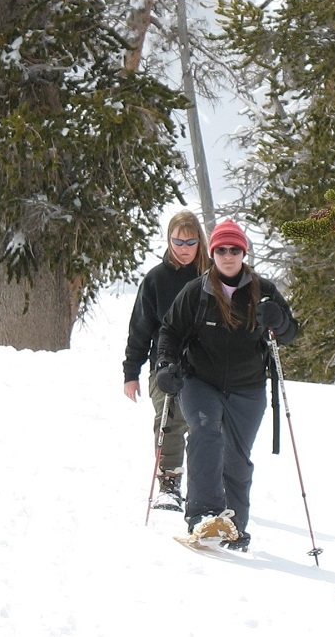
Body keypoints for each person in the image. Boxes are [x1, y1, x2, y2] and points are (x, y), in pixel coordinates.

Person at [155, 218, 298, 551]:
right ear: (213, 253)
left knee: (237, 457)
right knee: (205, 433)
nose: (228, 256)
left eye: (235, 250)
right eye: (221, 250)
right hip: (200, 380)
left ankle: (234, 526)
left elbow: (291, 333)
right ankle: (203, 516)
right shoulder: (197, 291)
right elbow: (170, 331)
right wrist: (165, 365)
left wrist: (279, 320)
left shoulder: (264, 292)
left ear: (244, 253)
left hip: (248, 388)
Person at [123, 210, 210, 512]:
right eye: (177, 242)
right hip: (165, 364)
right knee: (169, 418)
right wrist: (131, 372)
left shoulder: (214, 276)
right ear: (169, 241)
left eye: (190, 242)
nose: (184, 249)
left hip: (208, 365)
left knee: (207, 424)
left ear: (200, 242)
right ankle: (169, 483)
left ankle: (209, 487)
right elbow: (140, 328)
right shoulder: (156, 279)